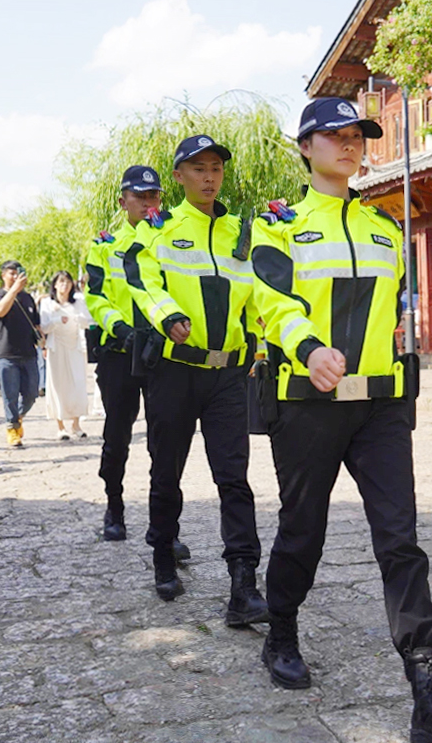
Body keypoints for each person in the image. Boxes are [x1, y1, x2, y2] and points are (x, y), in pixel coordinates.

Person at [251, 97, 432, 743]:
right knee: (303, 527)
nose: (348, 144)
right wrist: (307, 347)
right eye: (333, 135)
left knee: (400, 540)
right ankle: (280, 631)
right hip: (306, 401)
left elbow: (393, 310)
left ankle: (427, 693)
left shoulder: (385, 228)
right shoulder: (276, 223)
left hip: (380, 406)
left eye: (356, 135)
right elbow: (269, 299)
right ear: (304, 147)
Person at [124, 134, 267, 627]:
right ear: (179, 175)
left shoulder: (241, 231)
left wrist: (257, 343)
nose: (209, 177)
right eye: (198, 168)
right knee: (167, 473)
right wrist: (168, 316)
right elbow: (139, 276)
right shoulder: (159, 229)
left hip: (228, 375)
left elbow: (256, 294)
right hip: (174, 372)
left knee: (234, 479)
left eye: (216, 169)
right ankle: (163, 554)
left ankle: (244, 586)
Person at [85, 165, 161, 541]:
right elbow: (96, 298)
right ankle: (113, 506)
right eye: (139, 197)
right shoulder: (103, 247)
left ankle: (164, 524)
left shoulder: (169, 240)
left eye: (154, 196)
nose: (148, 204)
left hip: (163, 354)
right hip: (120, 352)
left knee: (165, 440)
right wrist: (122, 330)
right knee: (117, 436)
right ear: (123, 201)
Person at [0, 260, 44, 448]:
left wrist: (41, 338)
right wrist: (13, 290)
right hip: (7, 354)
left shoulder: (28, 298)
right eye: (11, 273)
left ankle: (17, 418)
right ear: (3, 275)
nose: (15, 276)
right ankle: (12, 428)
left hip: (29, 352)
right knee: (10, 394)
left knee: (31, 393)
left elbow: (36, 322)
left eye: (18, 273)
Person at [40, 270, 92, 439]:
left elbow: (88, 322)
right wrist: (56, 320)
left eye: (68, 281)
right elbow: (44, 327)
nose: (65, 285)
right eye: (61, 281)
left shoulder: (78, 302)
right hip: (57, 347)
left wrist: (78, 318)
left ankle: (76, 424)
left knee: (77, 383)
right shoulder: (47, 303)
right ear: (55, 285)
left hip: (74, 346)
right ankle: (60, 425)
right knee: (58, 385)